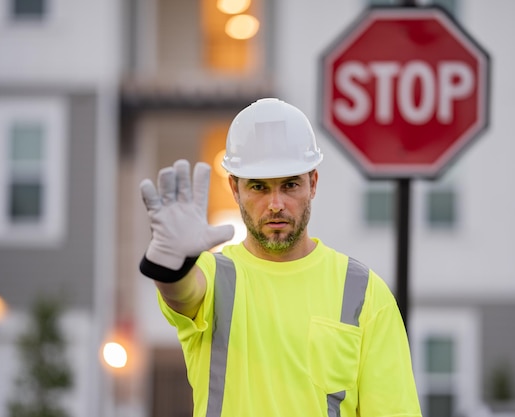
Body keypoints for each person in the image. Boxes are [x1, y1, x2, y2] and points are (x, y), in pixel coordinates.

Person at [139, 98, 422, 417]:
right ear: (235, 189)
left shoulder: (364, 292)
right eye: (259, 187)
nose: (275, 204)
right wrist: (169, 266)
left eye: (290, 185)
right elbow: (182, 291)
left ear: (312, 183)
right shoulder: (214, 276)